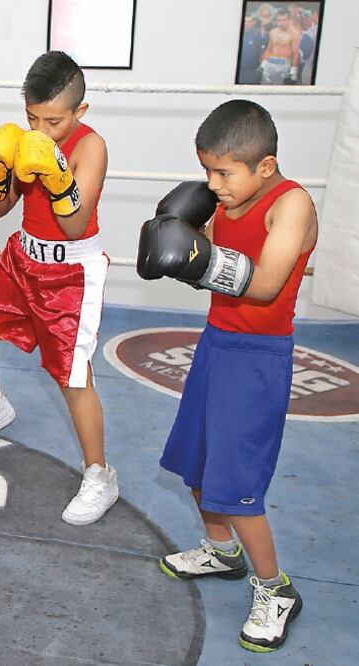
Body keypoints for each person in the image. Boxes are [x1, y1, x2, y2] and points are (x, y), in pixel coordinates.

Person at [138, 100, 317, 653]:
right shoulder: (227, 200)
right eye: (207, 171)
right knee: (197, 462)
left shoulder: (291, 205)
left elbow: (263, 285)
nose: (213, 185)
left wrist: (194, 260)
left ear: (265, 166)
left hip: (260, 357)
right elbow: (207, 250)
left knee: (238, 483)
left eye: (224, 173)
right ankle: (222, 550)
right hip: (217, 343)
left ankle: (275, 588)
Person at [0, 51, 118, 526]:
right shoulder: (25, 140)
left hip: (70, 274)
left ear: (79, 112)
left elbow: (75, 223)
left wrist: (56, 175)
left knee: (73, 378)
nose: (41, 130)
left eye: (53, 120)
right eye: (32, 118)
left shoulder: (91, 147)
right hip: (21, 256)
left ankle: (99, 474)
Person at [259, 8, 300, 84]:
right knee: (264, 88)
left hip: (284, 64)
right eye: (279, 20)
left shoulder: (294, 34)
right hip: (270, 63)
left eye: (284, 20)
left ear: (289, 20)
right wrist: (264, 64)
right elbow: (269, 48)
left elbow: (296, 54)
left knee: (278, 91)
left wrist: (294, 71)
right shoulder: (273, 32)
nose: (281, 22)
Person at [238, 15, 267, 84]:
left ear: (252, 23)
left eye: (248, 21)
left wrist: (263, 28)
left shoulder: (256, 33)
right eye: (245, 21)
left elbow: (264, 42)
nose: (246, 23)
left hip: (252, 70)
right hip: (240, 69)